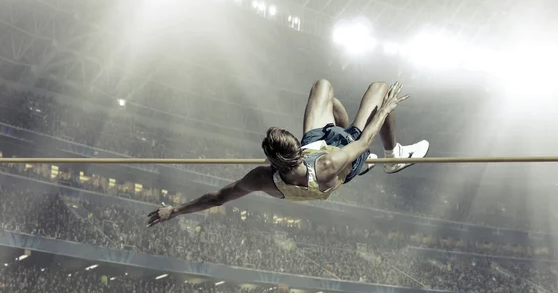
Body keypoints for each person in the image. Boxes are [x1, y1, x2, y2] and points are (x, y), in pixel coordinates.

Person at [148, 81, 429, 226]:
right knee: (380, 90)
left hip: (316, 144)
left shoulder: (263, 178)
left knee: (323, 87)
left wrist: (176, 210)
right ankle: (395, 156)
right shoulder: (329, 165)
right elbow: (366, 140)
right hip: (345, 153)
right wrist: (388, 107)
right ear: (295, 148)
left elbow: (219, 197)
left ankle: (337, 124)